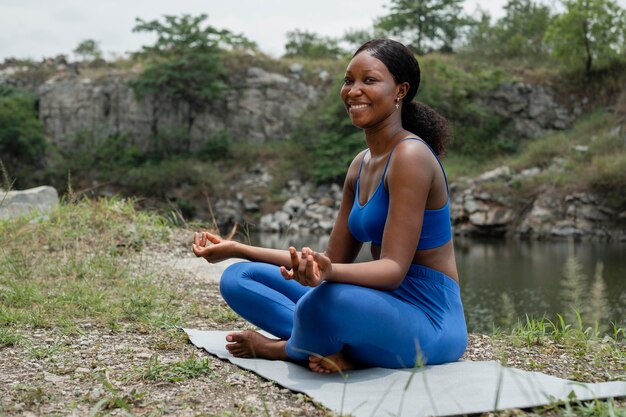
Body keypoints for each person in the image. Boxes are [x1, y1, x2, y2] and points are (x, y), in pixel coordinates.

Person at [192, 39, 467, 374]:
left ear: (400, 91)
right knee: (239, 277)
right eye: (349, 80)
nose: (354, 90)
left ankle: (284, 349)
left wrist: (330, 274)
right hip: (379, 307)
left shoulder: (411, 156)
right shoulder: (360, 165)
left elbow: (393, 270)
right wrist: (237, 248)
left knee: (326, 301)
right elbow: (329, 262)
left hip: (430, 320)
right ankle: (339, 348)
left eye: (370, 80)